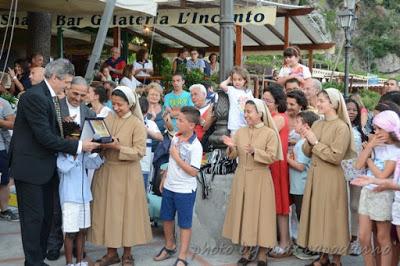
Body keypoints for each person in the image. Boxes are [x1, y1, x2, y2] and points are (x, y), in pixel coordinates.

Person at [9, 58, 99, 266]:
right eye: (67, 83)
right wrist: (79, 146)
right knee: (33, 219)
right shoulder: (35, 97)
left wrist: (68, 128)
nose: (68, 87)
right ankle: (33, 262)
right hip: (31, 168)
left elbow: (51, 130)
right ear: (55, 77)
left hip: (45, 169)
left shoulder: (49, 97)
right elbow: (44, 137)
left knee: (46, 218)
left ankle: (37, 259)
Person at [89, 86, 152, 266]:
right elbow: (100, 138)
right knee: (108, 213)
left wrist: (118, 147)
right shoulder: (107, 118)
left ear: (130, 104)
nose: (116, 108)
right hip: (107, 171)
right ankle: (111, 253)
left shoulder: (137, 124)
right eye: (114, 104)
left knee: (127, 214)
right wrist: (99, 143)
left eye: (120, 105)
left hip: (127, 175)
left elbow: (140, 152)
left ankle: (127, 254)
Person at [297, 88, 356, 266]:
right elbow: (307, 153)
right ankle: (322, 256)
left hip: (331, 178)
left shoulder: (342, 127)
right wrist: (307, 138)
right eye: (318, 100)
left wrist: (315, 142)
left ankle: (336, 259)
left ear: (334, 104)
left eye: (323, 100)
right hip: (315, 176)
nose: (318, 103)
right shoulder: (317, 124)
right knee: (317, 215)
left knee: (333, 217)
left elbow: (335, 157)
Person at [222, 98, 282, 266]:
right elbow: (233, 156)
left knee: (262, 215)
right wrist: (231, 147)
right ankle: (247, 251)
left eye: (249, 111)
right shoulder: (240, 132)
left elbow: (272, 157)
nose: (245, 114)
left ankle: (263, 254)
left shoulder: (270, 133)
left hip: (261, 177)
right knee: (244, 213)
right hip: (242, 177)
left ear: (260, 114)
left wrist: (256, 151)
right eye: (245, 111)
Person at [47, 76, 96, 260]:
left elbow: (92, 134)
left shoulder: (87, 112)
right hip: (57, 160)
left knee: (75, 210)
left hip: (78, 165)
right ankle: (54, 244)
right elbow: (48, 133)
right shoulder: (55, 107)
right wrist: (64, 131)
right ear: (67, 89)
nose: (78, 98)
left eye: (82, 95)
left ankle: (77, 247)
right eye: (75, 93)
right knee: (55, 206)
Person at [154, 106, 203, 266]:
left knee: (184, 223)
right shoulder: (175, 137)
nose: (177, 122)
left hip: (185, 190)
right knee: (166, 218)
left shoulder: (196, 146)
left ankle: (182, 257)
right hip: (170, 186)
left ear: (191, 125)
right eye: (177, 119)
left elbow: (193, 172)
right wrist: (165, 177)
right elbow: (171, 162)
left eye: (181, 120)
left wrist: (176, 157)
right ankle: (169, 246)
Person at [354, 110, 400, 266]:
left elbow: (382, 176)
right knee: (363, 236)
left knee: (382, 237)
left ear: (390, 128)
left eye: (380, 128)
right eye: (375, 128)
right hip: (366, 191)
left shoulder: (396, 150)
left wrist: (369, 161)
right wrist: (369, 148)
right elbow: (358, 164)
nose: (376, 132)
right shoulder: (375, 144)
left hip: (383, 194)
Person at [57, 121, 103, 266]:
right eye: (74, 136)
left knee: (82, 231)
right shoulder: (61, 154)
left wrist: (99, 152)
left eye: (79, 136)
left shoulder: (82, 153)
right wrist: (75, 152)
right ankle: (69, 263)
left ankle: (80, 261)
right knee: (70, 232)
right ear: (66, 137)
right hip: (70, 198)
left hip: (84, 197)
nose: (77, 139)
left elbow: (93, 164)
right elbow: (64, 168)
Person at [262, 85, 291, 258]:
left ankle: (284, 243)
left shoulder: (279, 117)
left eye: (268, 101)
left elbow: (266, 134)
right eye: (263, 99)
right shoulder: (270, 116)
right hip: (268, 162)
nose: (265, 103)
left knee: (281, 205)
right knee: (271, 204)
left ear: (277, 102)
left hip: (277, 163)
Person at [287, 111, 320, 260]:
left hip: (301, 186)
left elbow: (300, 166)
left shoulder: (302, 144)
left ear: (306, 126)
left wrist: (287, 159)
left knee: (303, 216)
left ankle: (310, 247)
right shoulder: (301, 142)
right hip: (298, 185)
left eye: (298, 122)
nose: (295, 124)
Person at [340, 99, 368, 257]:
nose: (351, 112)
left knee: (355, 205)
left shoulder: (361, 129)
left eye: (354, 110)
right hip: (339, 170)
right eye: (348, 109)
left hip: (357, 171)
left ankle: (355, 239)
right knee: (340, 205)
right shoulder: (339, 127)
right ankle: (341, 238)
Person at [220, 66, 254, 136]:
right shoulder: (231, 90)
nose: (237, 82)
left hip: (246, 121)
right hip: (235, 122)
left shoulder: (248, 92)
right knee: (234, 141)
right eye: (234, 80)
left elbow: (253, 103)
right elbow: (222, 85)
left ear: (245, 80)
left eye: (239, 79)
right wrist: (228, 80)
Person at [139, 97, 163, 190]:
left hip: (143, 165)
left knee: (141, 193)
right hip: (128, 165)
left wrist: (147, 130)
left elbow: (160, 137)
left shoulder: (150, 123)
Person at [0, 97, 16, 221]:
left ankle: (4, 210)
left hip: (0, 149)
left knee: (3, 181)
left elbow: (12, 124)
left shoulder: (3, 103)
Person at [146, 82, 166, 151]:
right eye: (152, 94)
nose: (154, 97)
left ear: (160, 97)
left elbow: (170, 128)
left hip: (160, 146)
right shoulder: (142, 108)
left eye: (157, 95)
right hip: (145, 144)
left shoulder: (164, 109)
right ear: (147, 95)